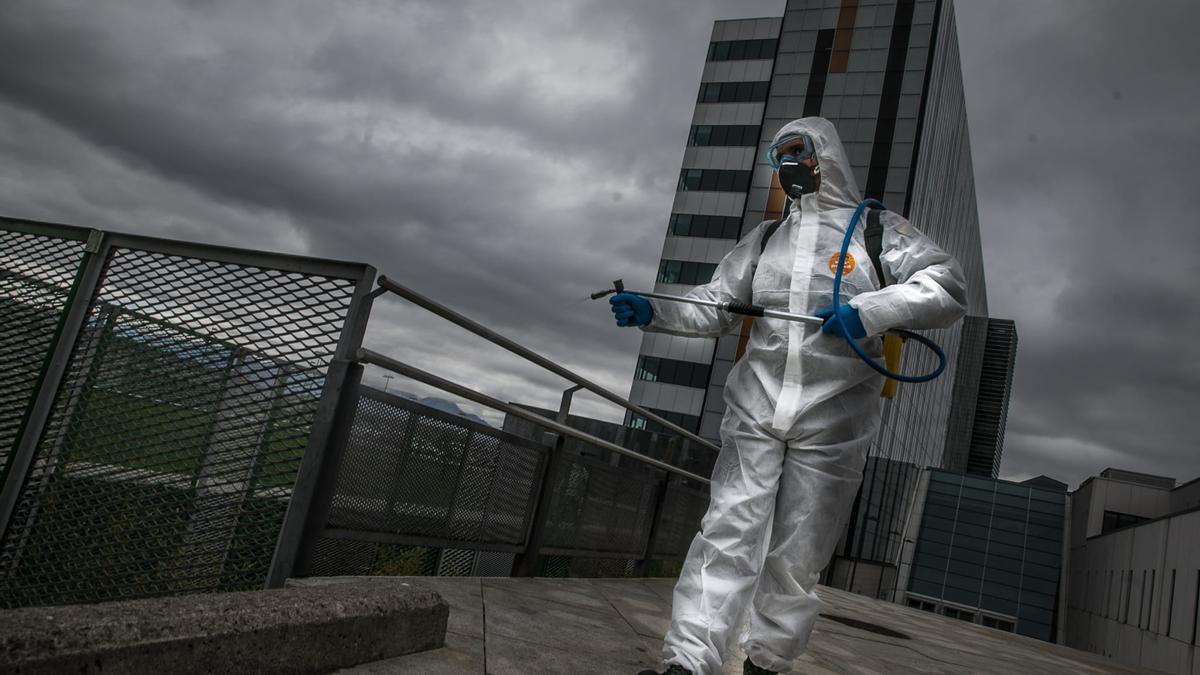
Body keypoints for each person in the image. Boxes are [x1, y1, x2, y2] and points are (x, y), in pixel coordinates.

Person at [611, 117, 967, 675]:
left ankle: (767, 663)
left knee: (798, 553)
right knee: (727, 530)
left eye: (798, 152)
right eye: (779, 157)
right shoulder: (768, 238)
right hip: (756, 406)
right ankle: (688, 663)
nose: (789, 164)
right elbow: (718, 302)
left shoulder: (877, 232)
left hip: (835, 420)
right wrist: (654, 309)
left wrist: (869, 311)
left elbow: (945, 284)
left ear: (825, 155)